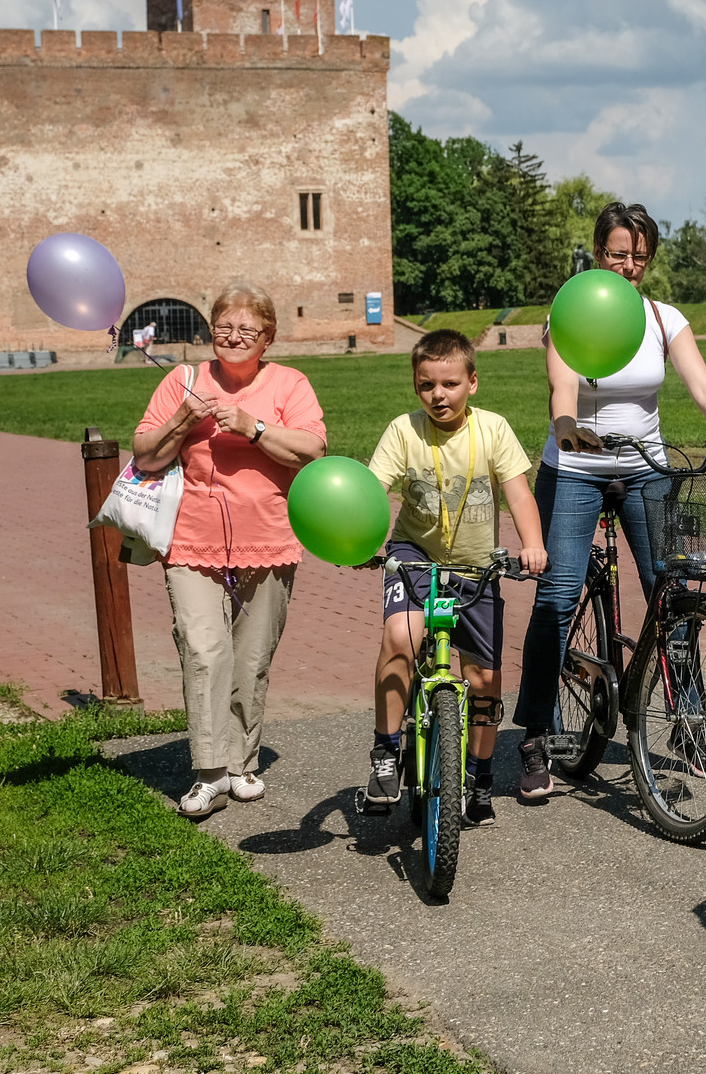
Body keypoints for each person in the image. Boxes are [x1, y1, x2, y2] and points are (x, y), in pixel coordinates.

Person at [514, 203, 706, 799]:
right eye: (618, 254)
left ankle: (688, 722)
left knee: (670, 592)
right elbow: (561, 383)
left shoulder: (662, 317)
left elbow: (702, 383)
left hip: (645, 466)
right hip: (575, 468)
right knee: (558, 594)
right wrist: (566, 425)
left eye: (639, 257)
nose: (628, 266)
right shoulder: (570, 310)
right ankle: (536, 735)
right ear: (598, 252)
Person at [131, 284, 327, 818]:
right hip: (191, 541)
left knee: (251, 658)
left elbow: (313, 449)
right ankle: (209, 772)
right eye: (224, 326)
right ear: (210, 329)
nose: (234, 337)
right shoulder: (183, 379)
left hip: (269, 539)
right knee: (203, 649)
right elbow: (144, 455)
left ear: (268, 338)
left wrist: (253, 427)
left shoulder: (289, 383)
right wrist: (182, 420)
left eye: (247, 329)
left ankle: (241, 762)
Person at [363, 329, 548, 828]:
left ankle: (479, 778)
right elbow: (373, 491)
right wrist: (360, 541)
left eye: (450, 384)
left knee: (484, 678)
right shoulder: (404, 431)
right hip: (415, 555)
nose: (438, 395)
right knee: (401, 635)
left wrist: (532, 544)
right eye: (426, 385)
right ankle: (386, 752)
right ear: (415, 385)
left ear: (473, 383)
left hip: (476, 566)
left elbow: (519, 493)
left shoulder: (493, 429)